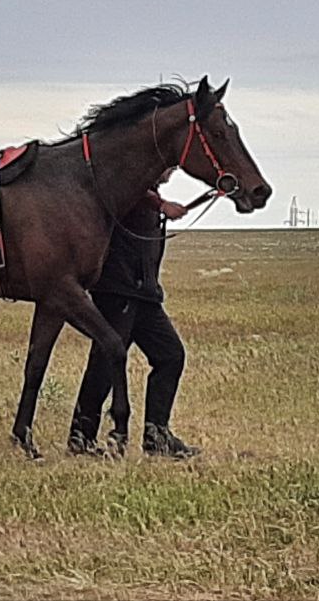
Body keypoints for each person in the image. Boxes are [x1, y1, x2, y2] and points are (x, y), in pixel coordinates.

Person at [67, 168, 199, 459]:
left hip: (144, 294)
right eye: (168, 165)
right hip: (118, 289)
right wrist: (161, 206)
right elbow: (131, 189)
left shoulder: (145, 192)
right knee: (105, 362)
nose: (171, 170)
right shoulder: (128, 188)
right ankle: (81, 437)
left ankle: (157, 435)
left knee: (170, 355)